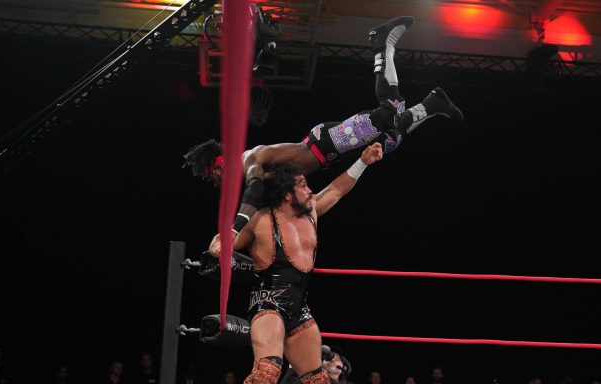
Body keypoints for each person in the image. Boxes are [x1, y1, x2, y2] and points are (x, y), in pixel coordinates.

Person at [185, 16, 463, 239]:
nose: (216, 184)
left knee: (390, 111)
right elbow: (268, 186)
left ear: (219, 166)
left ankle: (382, 43)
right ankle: (432, 104)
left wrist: (234, 229)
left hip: (325, 143)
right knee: (389, 140)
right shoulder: (252, 170)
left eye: (212, 177)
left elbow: (254, 191)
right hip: (328, 153)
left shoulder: (249, 159)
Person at [213, 144, 384, 384]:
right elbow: (220, 247)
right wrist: (225, 237)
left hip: (298, 308)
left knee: (317, 379)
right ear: (286, 193)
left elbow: (337, 188)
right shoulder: (261, 221)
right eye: (303, 185)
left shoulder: (312, 212)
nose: (310, 190)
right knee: (267, 371)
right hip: (267, 303)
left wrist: (363, 161)